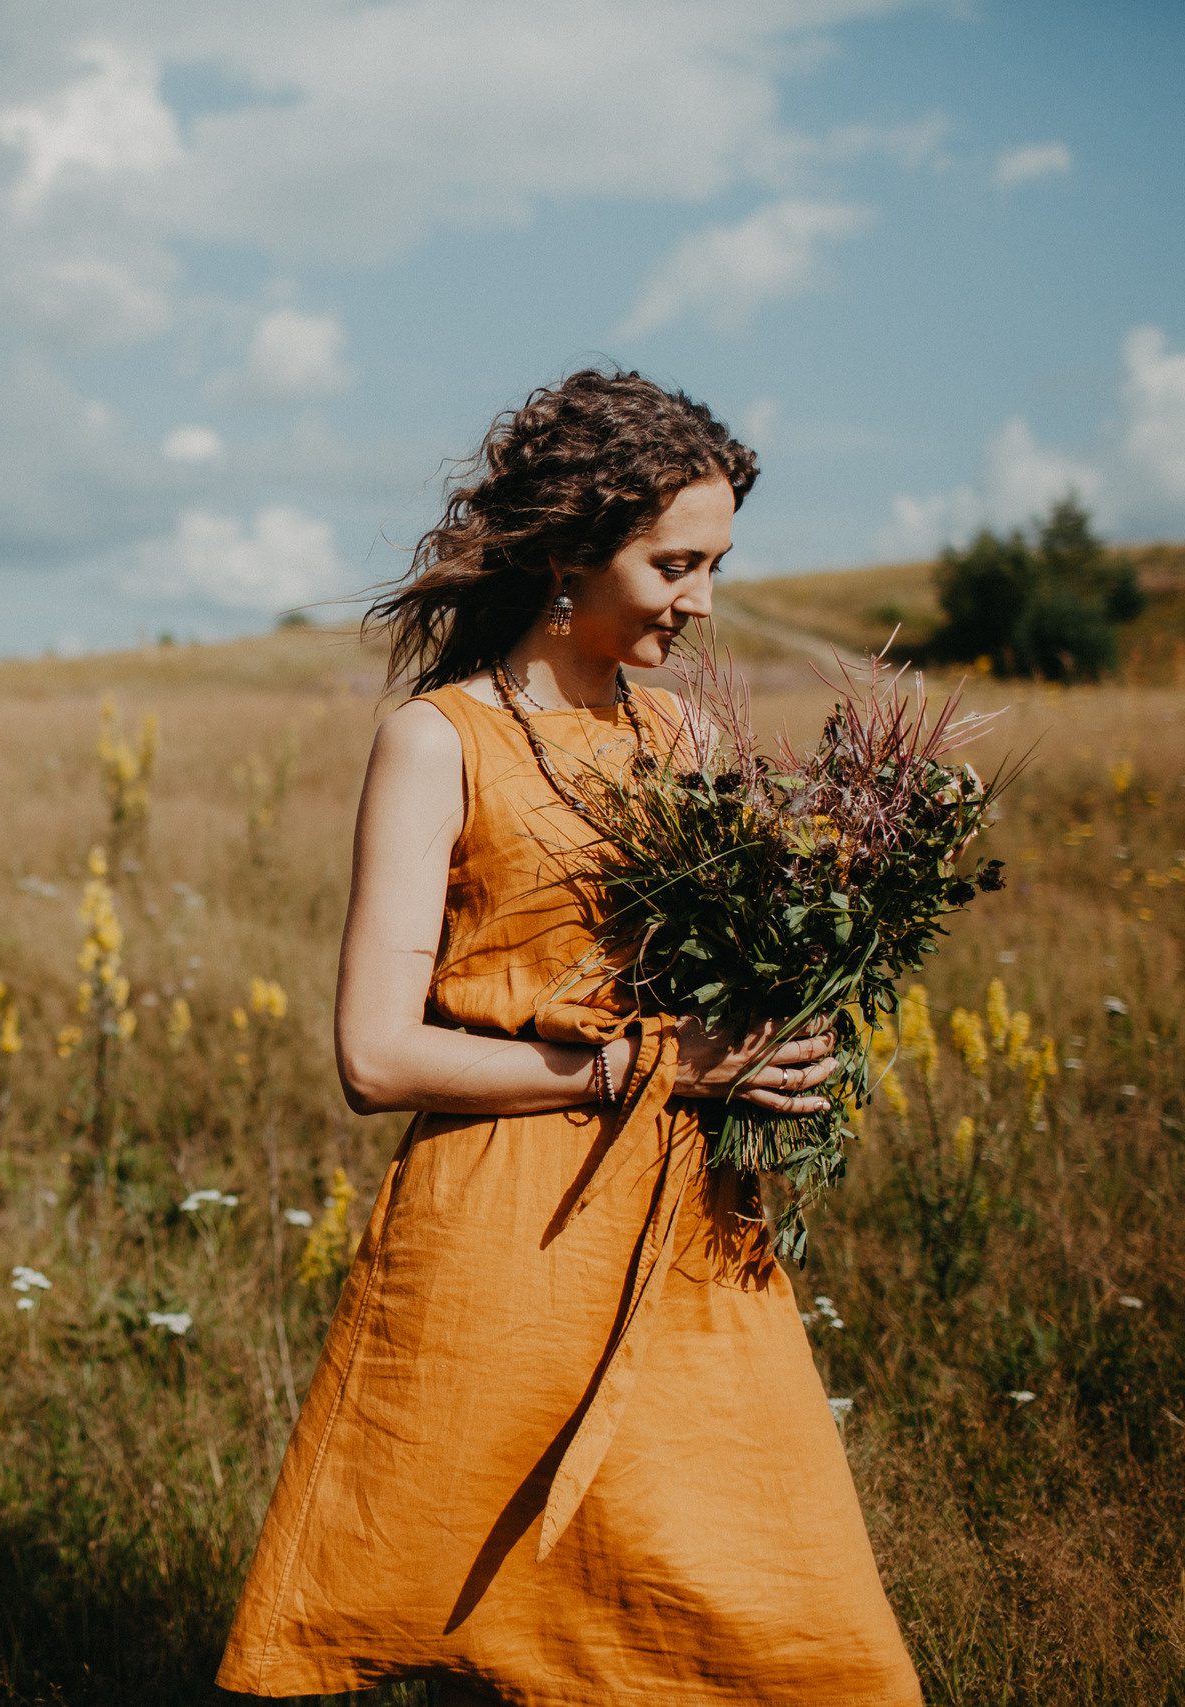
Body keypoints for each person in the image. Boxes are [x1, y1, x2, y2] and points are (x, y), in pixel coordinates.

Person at [215, 370, 922, 1705]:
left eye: (716, 564)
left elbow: (717, 975)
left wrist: (785, 1028)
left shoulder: (693, 734)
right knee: (477, 1630)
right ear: (569, 549)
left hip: (692, 1228)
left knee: (784, 1611)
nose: (702, 600)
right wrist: (643, 1065)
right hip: (501, 1240)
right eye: (676, 563)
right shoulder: (440, 744)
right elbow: (375, 1057)